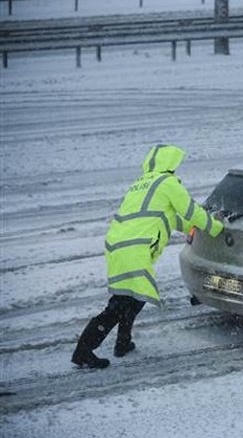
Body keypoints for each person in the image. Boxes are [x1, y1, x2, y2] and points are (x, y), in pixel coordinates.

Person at [71, 144, 224, 368]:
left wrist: (198, 228)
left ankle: (123, 342)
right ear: (170, 165)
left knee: (133, 298)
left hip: (119, 246)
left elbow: (176, 220)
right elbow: (191, 211)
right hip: (134, 249)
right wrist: (216, 228)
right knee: (119, 304)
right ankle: (83, 351)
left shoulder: (141, 186)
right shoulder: (168, 183)